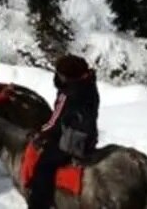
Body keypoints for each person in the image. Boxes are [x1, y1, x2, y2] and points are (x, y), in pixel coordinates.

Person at [28, 54, 99, 209]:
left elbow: (55, 121)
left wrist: (41, 133)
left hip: (70, 140)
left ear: (66, 76)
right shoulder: (90, 84)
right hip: (89, 137)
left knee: (43, 166)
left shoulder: (67, 93)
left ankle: (40, 204)